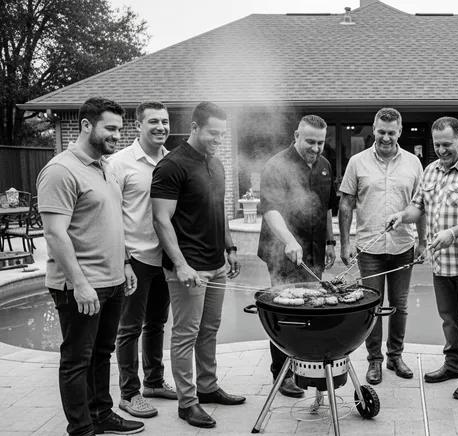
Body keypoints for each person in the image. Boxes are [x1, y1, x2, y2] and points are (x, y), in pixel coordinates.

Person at [38, 97, 144, 435]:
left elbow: (111, 222)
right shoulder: (60, 170)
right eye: (110, 128)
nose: (117, 135)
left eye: (119, 128)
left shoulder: (106, 167)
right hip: (82, 285)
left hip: (112, 281)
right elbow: (54, 234)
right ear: (86, 126)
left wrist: (126, 262)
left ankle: (101, 414)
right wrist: (80, 284)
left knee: (102, 352)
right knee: (76, 360)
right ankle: (81, 428)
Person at [386, 117, 458, 400]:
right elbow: (417, 206)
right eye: (437, 144)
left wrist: (454, 233)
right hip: (441, 263)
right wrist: (402, 216)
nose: (441, 150)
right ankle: (454, 365)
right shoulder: (431, 170)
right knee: (449, 319)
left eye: (447, 144)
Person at [151, 101, 244, 429]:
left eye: (222, 133)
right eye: (212, 133)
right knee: (186, 333)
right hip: (189, 268)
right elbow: (161, 220)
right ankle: (187, 403)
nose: (218, 138)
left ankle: (207, 387)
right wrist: (181, 265)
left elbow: (219, 211)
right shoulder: (171, 166)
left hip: (216, 264)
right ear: (194, 127)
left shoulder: (216, 164)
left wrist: (230, 248)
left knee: (209, 330)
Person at [339, 108, 426, 385]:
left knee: (399, 304)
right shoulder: (357, 162)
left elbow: (420, 205)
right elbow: (345, 204)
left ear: (399, 132)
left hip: (403, 245)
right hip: (368, 248)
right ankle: (374, 360)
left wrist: (423, 241)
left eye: (391, 132)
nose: (386, 138)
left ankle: (396, 357)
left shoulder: (413, 163)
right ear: (373, 129)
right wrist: (344, 242)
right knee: (372, 305)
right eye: (381, 132)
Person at [257, 114, 337, 398]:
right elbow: (270, 210)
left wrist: (330, 240)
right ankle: (282, 373)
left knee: (312, 307)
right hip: (282, 252)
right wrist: (289, 240)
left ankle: (307, 364)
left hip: (314, 251)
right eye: (310, 141)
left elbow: (327, 206)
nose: (315, 148)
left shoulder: (325, 165)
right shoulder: (277, 166)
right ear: (296, 135)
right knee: (285, 313)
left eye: (320, 142)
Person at [108, 101, 177, 419]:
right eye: (153, 121)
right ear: (138, 126)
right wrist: (122, 261)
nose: (161, 127)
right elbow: (110, 217)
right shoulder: (119, 164)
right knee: (129, 328)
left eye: (165, 121)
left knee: (157, 324)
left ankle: (153, 382)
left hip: (163, 257)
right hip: (134, 257)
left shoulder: (171, 161)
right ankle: (129, 393)